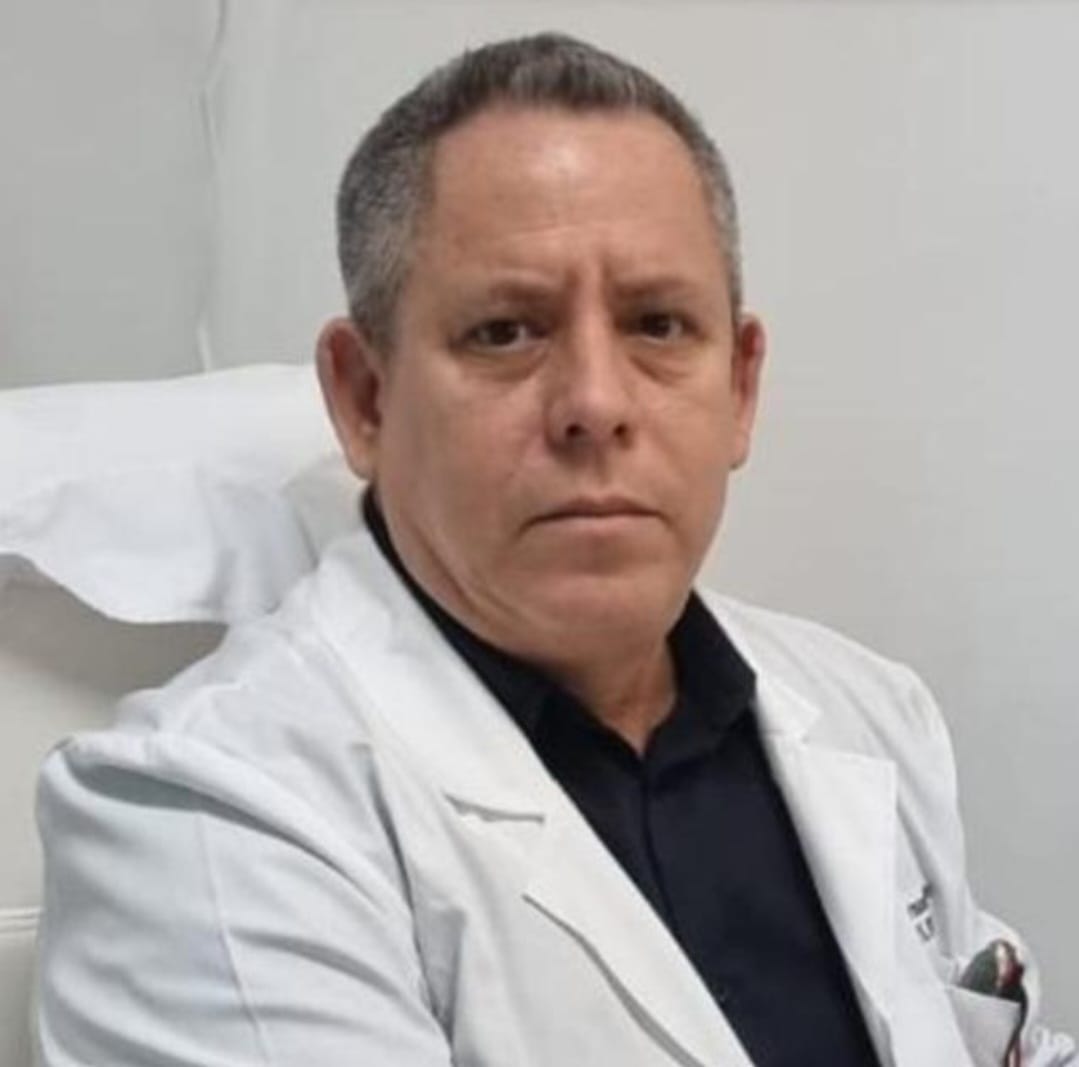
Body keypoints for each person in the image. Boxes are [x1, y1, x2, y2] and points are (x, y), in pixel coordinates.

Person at [34, 32, 1074, 1067]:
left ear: (739, 388)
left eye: (657, 323)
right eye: (504, 331)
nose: (595, 401)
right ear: (364, 399)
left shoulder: (869, 710)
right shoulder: (206, 820)